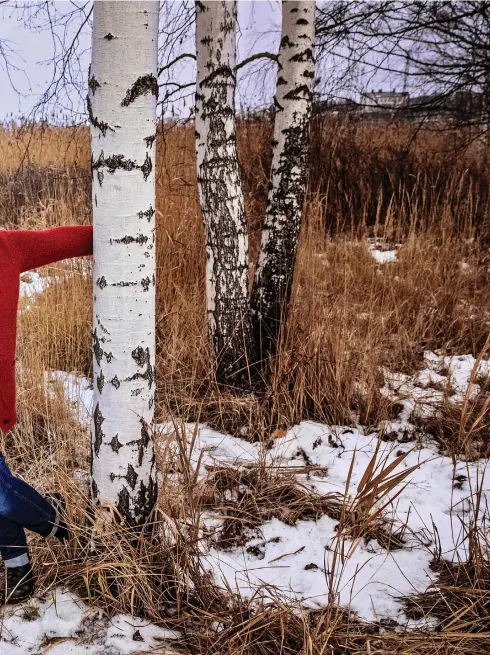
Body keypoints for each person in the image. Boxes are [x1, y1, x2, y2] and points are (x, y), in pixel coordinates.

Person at [0, 225, 93, 603]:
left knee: (1, 492)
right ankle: (22, 573)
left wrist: (129, 224)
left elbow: (76, 239)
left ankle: (63, 526)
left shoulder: (8, 246)